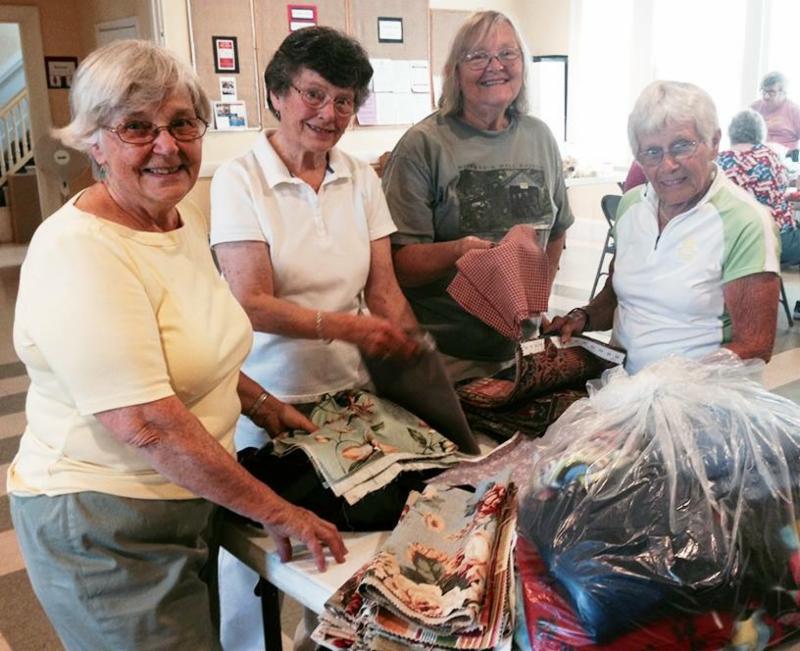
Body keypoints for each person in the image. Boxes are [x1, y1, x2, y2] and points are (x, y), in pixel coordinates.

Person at [7, 40, 347, 651]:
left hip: (185, 500)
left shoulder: (177, 218)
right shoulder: (80, 251)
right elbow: (146, 422)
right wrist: (277, 510)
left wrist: (266, 407)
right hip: (106, 525)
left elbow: (197, 347)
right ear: (94, 141)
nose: (167, 146)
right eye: (137, 127)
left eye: (183, 123)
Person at [209, 27, 419, 650]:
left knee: (338, 555)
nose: (329, 113)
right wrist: (349, 327)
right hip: (267, 401)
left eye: (346, 100)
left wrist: (415, 353)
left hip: (349, 399)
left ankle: (320, 643)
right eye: (314, 94)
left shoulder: (359, 178)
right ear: (278, 93)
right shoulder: (239, 179)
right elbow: (251, 301)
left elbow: (384, 292)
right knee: (258, 558)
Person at [381, 10, 573, 382]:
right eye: (477, 56)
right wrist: (459, 251)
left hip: (522, 349)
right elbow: (397, 264)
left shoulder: (540, 138)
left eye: (507, 54)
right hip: (447, 355)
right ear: (455, 71)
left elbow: (558, 228)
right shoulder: (424, 145)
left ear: (523, 65)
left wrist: (534, 297)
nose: (495, 66)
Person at [548, 81, 780, 375]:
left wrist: (661, 386)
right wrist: (582, 317)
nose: (668, 164)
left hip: (704, 394)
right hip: (621, 385)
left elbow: (755, 346)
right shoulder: (632, 205)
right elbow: (619, 295)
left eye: (682, 145)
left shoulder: (744, 221)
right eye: (652, 152)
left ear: (714, 143)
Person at [718, 108, 800, 265]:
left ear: (731, 133)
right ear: (760, 132)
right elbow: (780, 190)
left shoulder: (719, 162)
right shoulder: (770, 157)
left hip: (733, 245)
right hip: (774, 241)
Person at [751, 71, 800, 159]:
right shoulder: (754, 108)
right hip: (757, 157)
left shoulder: (794, 111)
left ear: (784, 93)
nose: (766, 96)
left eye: (771, 92)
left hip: (785, 159)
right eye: (763, 91)